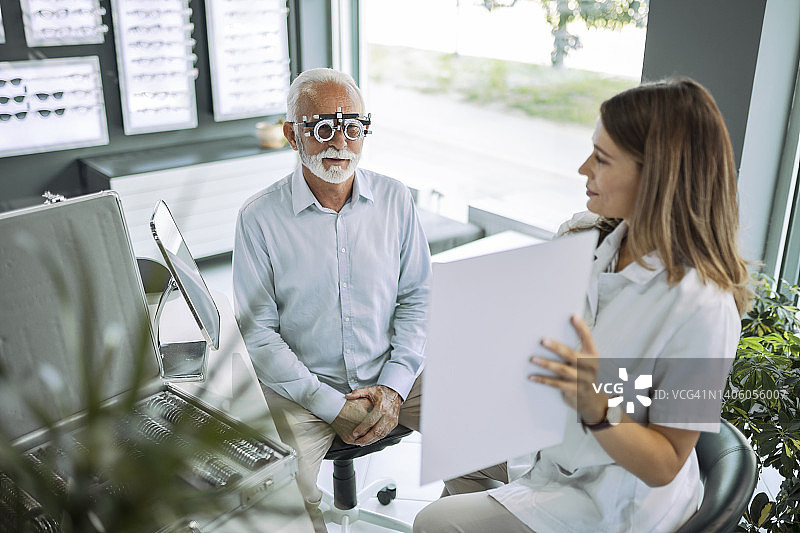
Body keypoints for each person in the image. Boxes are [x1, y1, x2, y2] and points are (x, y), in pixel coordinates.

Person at [413, 77, 751, 533]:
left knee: (434, 524)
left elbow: (666, 462)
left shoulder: (705, 308)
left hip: (614, 502)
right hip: (560, 457)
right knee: (458, 447)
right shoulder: (603, 247)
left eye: (602, 158)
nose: (582, 168)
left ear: (654, 175)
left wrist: (597, 403)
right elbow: (618, 376)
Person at [232, 67, 431, 531]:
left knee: (480, 425)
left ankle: (462, 518)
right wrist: (331, 405)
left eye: (353, 127)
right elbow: (258, 334)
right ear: (291, 134)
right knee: (272, 492)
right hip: (303, 388)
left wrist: (395, 385)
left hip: (392, 371)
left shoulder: (397, 200)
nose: (338, 141)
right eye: (322, 127)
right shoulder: (258, 219)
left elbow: (418, 299)